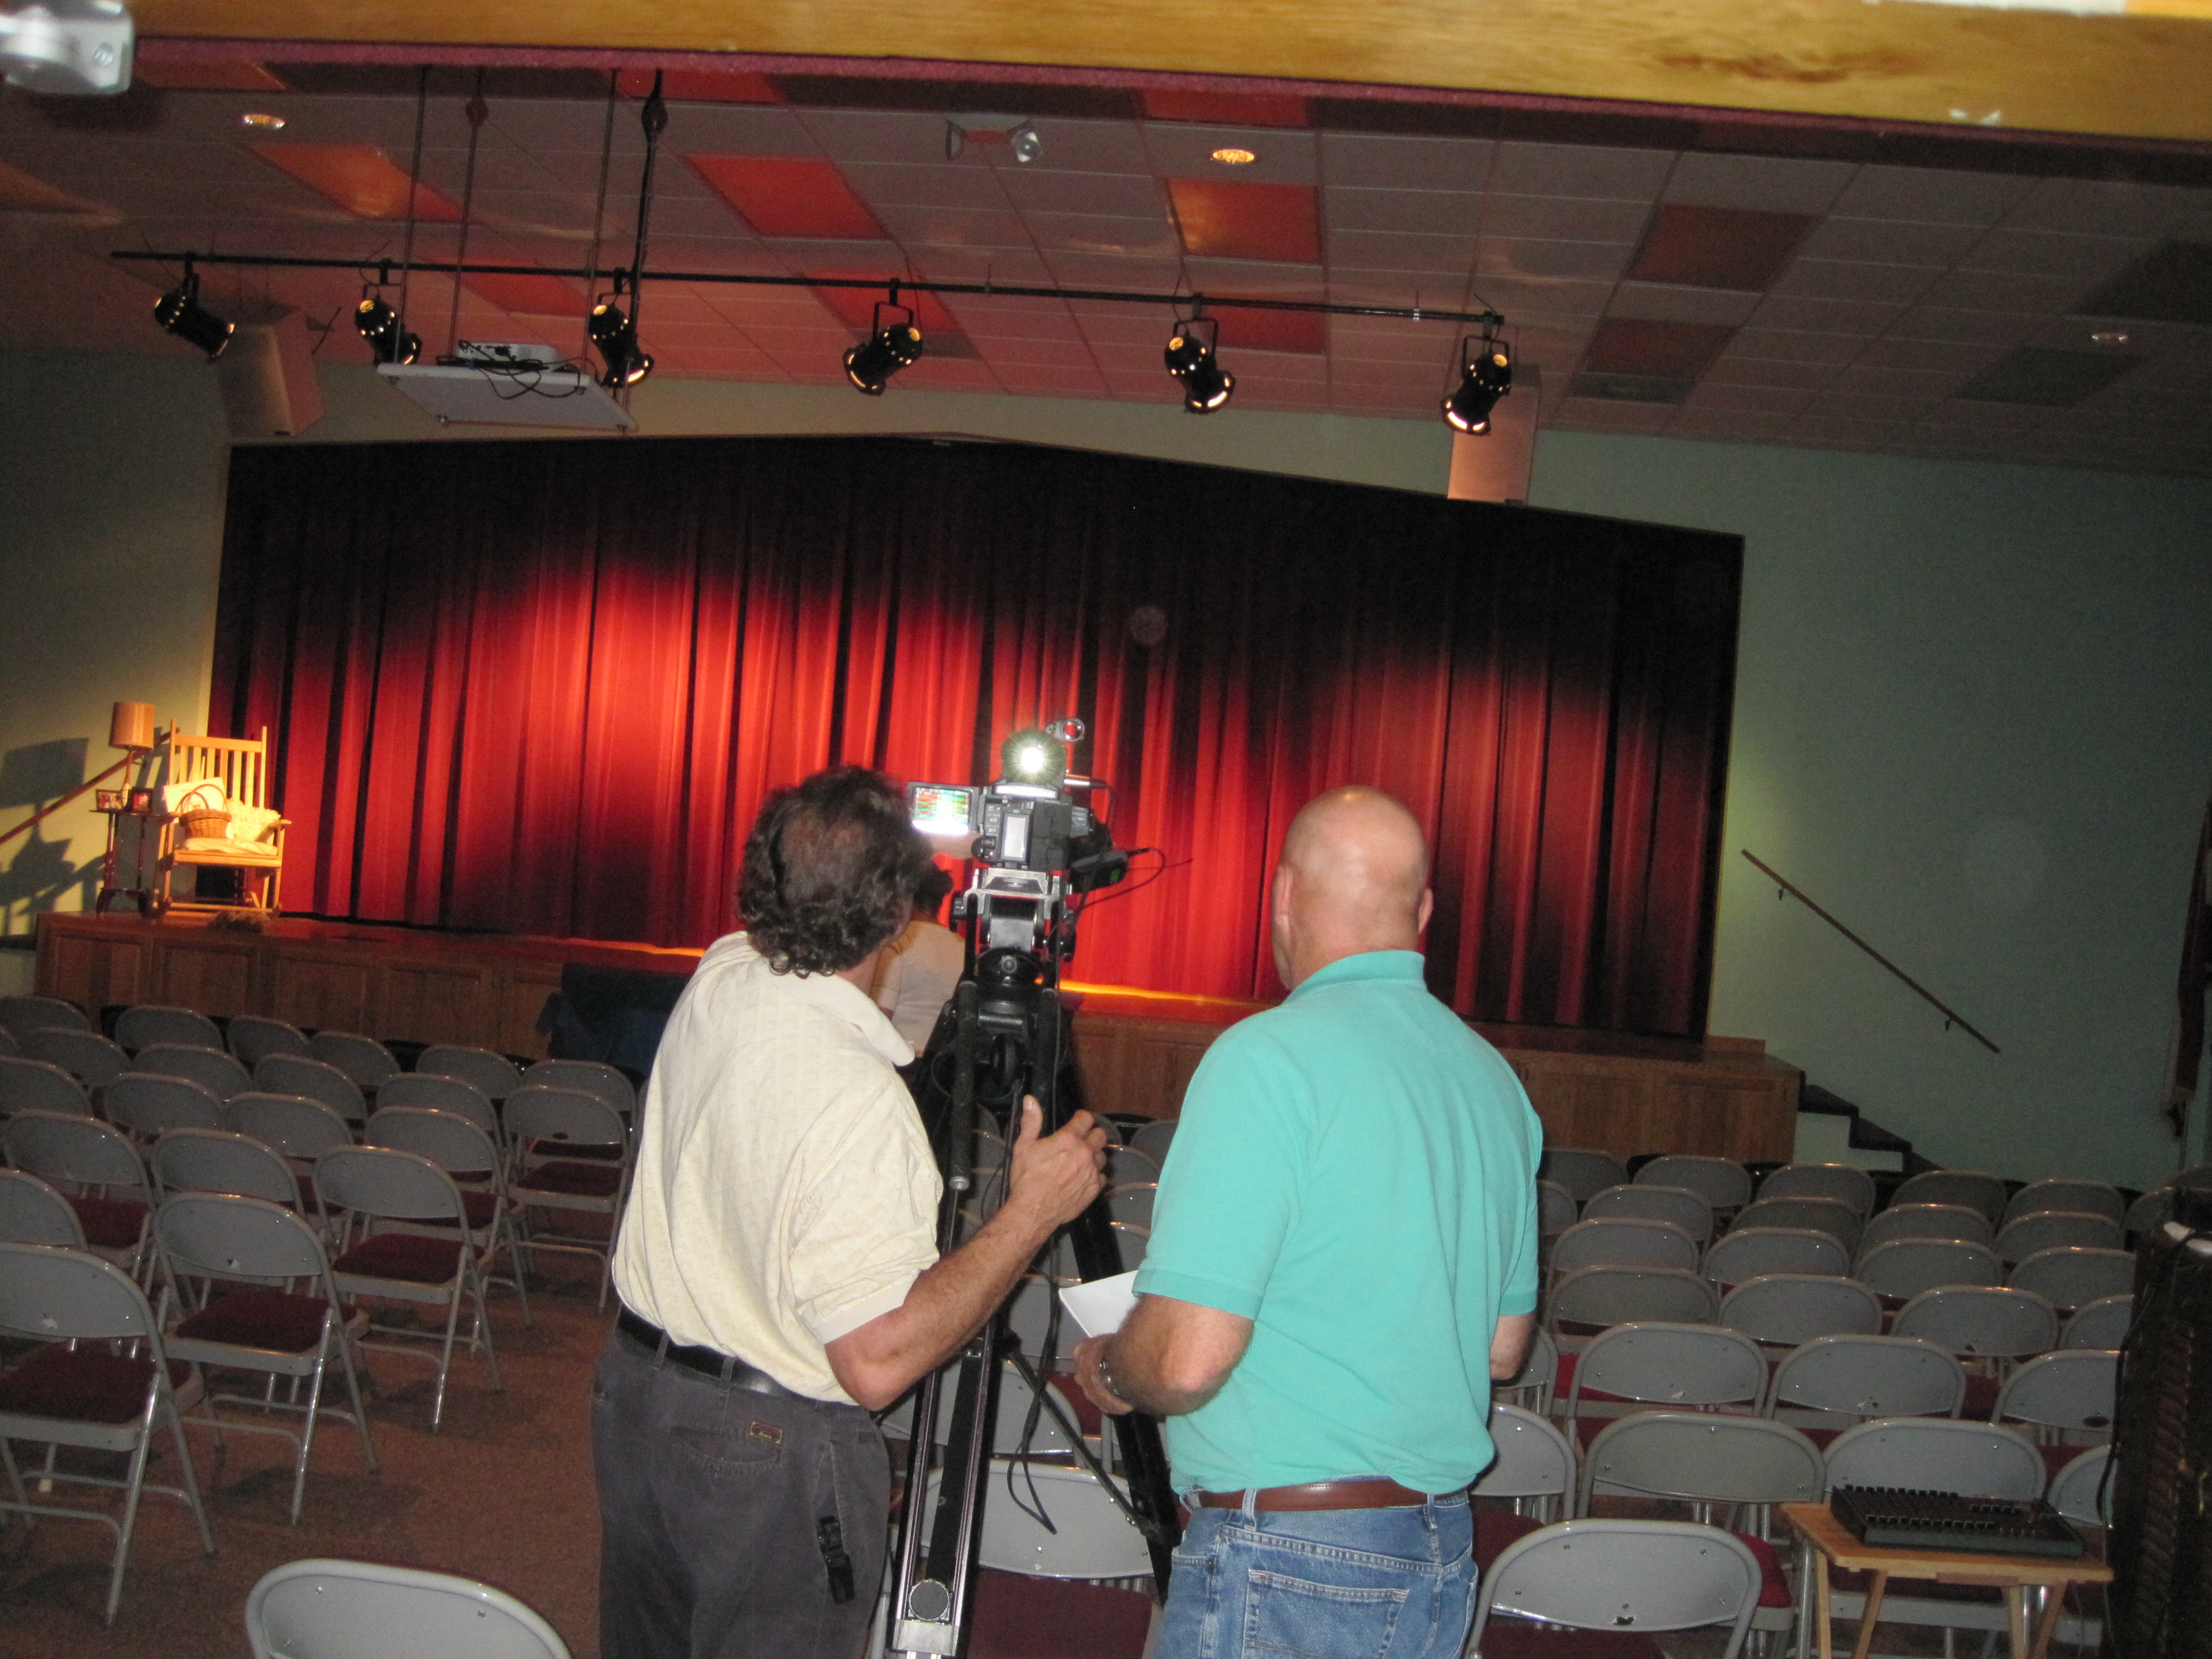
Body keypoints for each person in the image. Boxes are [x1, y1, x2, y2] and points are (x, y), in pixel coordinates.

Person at [593, 765, 1108, 1659]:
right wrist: (1031, 1213)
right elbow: (875, 1364)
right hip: (759, 1459)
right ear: (899, 913)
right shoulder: (859, 1097)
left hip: (635, 1402)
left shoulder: (722, 974)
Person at [1073, 785, 1541, 1659]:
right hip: (1438, 1552)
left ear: (1282, 894)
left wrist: (1111, 1367)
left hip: (1286, 1560)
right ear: (1423, 911)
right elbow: (1499, 1349)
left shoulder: (1266, 1059)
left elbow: (1184, 1360)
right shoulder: (1495, 1082)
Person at [871, 862, 965, 1052]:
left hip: (902, 1060)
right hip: (944, 1062)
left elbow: (879, 1019)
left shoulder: (896, 943)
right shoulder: (963, 948)